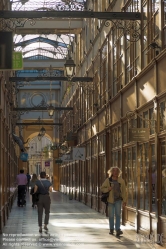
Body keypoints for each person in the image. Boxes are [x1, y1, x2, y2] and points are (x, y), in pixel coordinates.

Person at [101, 166, 127, 237]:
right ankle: (111, 229)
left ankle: (118, 229)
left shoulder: (121, 181)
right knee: (111, 215)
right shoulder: (108, 180)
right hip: (110, 201)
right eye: (114, 171)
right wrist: (108, 189)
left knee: (118, 215)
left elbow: (124, 191)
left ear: (119, 173)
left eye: (117, 171)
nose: (115, 172)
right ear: (111, 172)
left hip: (118, 200)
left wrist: (124, 200)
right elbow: (102, 188)